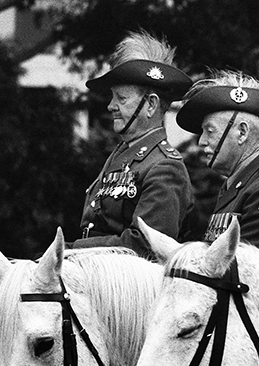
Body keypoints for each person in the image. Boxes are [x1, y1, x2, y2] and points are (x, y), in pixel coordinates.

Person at [69, 30, 194, 258]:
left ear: (150, 105)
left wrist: (73, 250)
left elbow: (145, 246)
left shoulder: (165, 167)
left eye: (121, 98)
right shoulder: (124, 153)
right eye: (113, 97)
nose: (111, 106)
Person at [175, 70, 259, 266]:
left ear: (242, 132)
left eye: (209, 131)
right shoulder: (242, 185)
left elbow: (239, 272)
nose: (202, 141)